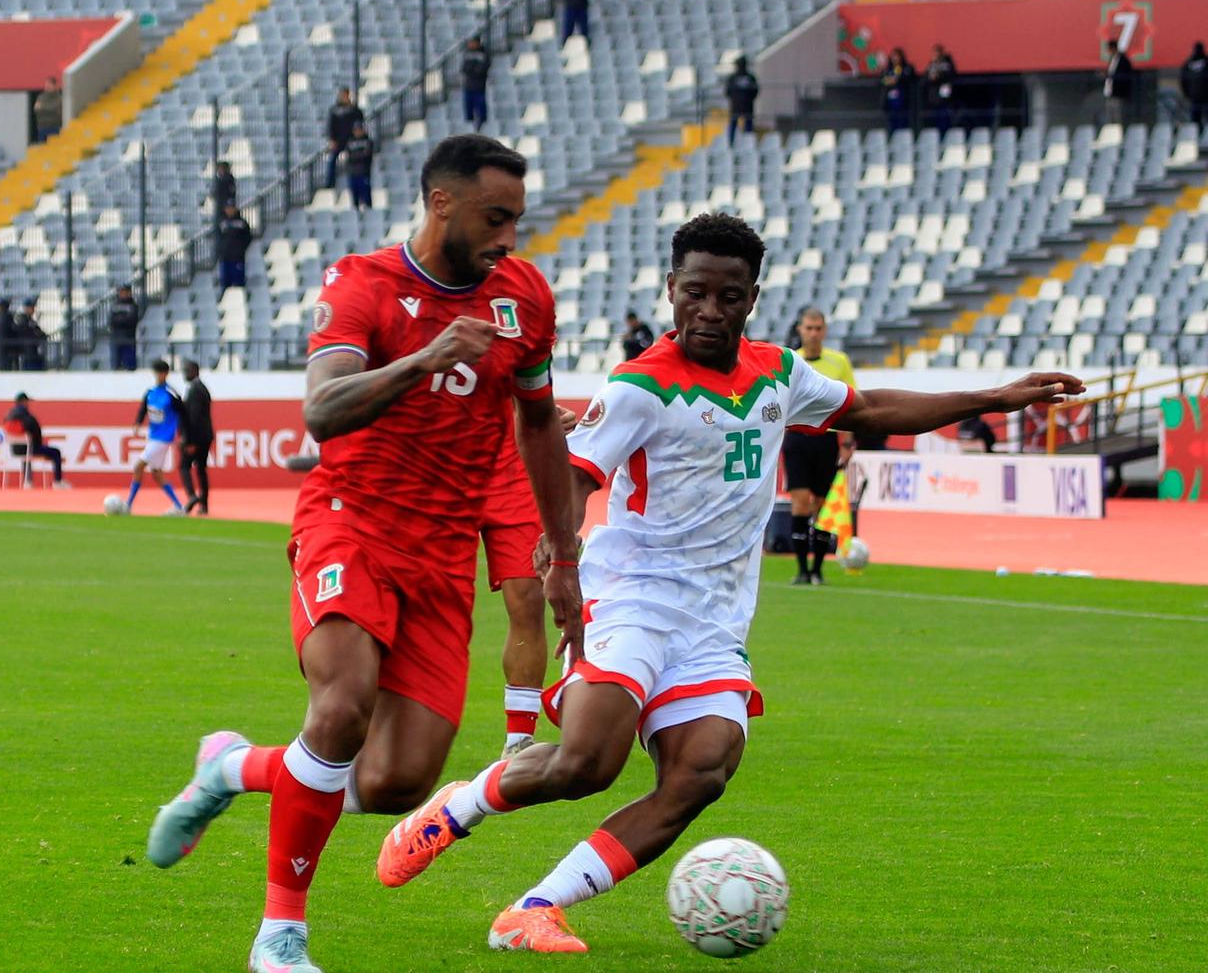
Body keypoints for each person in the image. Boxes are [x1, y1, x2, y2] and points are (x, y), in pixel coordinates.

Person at [371, 212, 1081, 957]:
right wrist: (562, 558)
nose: (710, 311)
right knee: (586, 764)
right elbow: (575, 476)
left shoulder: (780, 373)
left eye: (729, 297)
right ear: (671, 290)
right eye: (696, 293)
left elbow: (869, 408)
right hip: (634, 597)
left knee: (701, 771)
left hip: (713, 622)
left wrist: (995, 397)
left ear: (752, 299)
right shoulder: (639, 386)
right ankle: (458, 808)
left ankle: (536, 909)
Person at [144, 135, 574, 973]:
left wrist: (562, 551)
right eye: (495, 218)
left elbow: (537, 422)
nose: (509, 238)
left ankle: (232, 767)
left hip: (441, 554)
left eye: (517, 220)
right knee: (341, 707)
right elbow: (323, 408)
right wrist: (426, 358)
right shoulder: (361, 283)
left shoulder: (525, 297)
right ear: (441, 203)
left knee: (395, 783)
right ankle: (280, 937)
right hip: (351, 522)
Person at [478, 422, 550, 761]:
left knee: (529, 596)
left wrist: (543, 414)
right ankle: (388, 728)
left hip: (513, 463)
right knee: (428, 599)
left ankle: (519, 739)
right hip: (446, 457)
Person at [782, 308, 855, 585]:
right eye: (808, 328)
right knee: (800, 502)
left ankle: (818, 570)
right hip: (798, 438)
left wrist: (847, 442)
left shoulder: (839, 361)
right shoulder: (790, 361)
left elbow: (850, 404)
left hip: (826, 439)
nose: (813, 333)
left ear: (824, 331)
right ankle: (802, 570)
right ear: (800, 330)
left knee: (823, 506)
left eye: (818, 328)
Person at [128, 360, 186, 515]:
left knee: (138, 466)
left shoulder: (171, 394)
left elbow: (183, 413)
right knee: (157, 473)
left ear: (166, 374)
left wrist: (182, 434)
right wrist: (137, 423)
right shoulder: (150, 392)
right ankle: (179, 506)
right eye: (156, 373)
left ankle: (128, 504)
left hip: (164, 437)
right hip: (153, 436)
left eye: (161, 373)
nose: (158, 376)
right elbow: (143, 410)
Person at [4, 392, 70, 488]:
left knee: (26, 452)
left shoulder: (8, 416)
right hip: (31, 449)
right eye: (27, 401)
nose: (28, 404)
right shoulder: (27, 416)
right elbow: (36, 432)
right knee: (56, 452)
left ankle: (28, 482)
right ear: (24, 402)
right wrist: (37, 444)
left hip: (15, 450)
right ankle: (58, 481)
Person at [178, 358, 213, 515]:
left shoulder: (195, 390)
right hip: (205, 436)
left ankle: (192, 496)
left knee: (184, 466)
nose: (185, 374)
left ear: (195, 371)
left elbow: (194, 417)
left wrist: (189, 440)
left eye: (187, 370)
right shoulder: (201, 388)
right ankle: (204, 505)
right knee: (201, 470)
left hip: (197, 438)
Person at [324, 87, 363, 188]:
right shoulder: (335, 110)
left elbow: (359, 123)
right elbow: (331, 126)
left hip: (351, 140)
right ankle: (330, 183)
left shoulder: (354, 110)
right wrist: (332, 139)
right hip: (339, 141)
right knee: (332, 159)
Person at [216, 204, 254, 292]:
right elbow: (218, 238)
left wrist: (240, 248)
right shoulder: (222, 223)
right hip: (225, 257)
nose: (229, 210)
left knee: (238, 283)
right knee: (225, 284)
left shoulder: (242, 223)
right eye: (228, 208)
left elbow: (248, 238)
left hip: (237, 258)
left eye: (231, 208)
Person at [724, 56, 758, 145]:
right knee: (741, 125)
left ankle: (735, 144)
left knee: (742, 125)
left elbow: (727, 92)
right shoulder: (749, 77)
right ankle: (741, 144)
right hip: (745, 106)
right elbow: (755, 92)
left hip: (739, 106)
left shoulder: (734, 78)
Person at [924, 44, 957, 133]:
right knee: (934, 117)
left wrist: (939, 75)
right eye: (935, 53)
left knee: (944, 116)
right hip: (933, 97)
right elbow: (925, 77)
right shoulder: (931, 64)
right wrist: (931, 77)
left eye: (938, 52)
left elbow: (951, 75)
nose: (936, 55)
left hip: (944, 96)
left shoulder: (947, 64)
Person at [460, 36, 491, 131]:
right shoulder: (467, 53)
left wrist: (473, 70)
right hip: (468, 86)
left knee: (480, 107)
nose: (471, 44)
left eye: (473, 42)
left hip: (479, 86)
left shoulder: (483, 53)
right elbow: (464, 68)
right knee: (468, 108)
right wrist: (472, 69)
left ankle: (482, 126)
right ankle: (470, 126)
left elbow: (482, 69)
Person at [1101, 40, 1135, 125]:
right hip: (1110, 92)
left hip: (1118, 93)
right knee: (1110, 116)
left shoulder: (1123, 60)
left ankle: (1119, 130)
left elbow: (1124, 75)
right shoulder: (1112, 59)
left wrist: (1112, 76)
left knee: (1118, 116)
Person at [342, 123, 374, 212]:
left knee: (366, 196)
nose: (358, 132)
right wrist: (359, 155)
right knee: (354, 196)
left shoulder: (367, 141)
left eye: (359, 129)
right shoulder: (350, 142)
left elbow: (366, 155)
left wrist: (355, 156)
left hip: (364, 172)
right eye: (356, 130)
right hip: (353, 172)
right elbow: (348, 156)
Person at [881, 48, 913, 133]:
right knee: (892, 125)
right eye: (893, 56)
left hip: (903, 101)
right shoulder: (888, 69)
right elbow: (882, 80)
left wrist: (897, 80)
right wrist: (890, 80)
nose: (895, 58)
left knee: (902, 124)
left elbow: (907, 78)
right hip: (890, 102)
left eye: (897, 56)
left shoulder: (906, 68)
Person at [108, 285, 140, 371]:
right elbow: (112, 321)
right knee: (116, 366)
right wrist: (122, 319)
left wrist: (120, 320)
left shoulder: (133, 306)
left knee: (129, 366)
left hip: (128, 339)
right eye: (121, 292)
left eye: (125, 292)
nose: (123, 294)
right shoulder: (114, 305)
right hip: (116, 339)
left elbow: (131, 320)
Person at [14, 298, 48, 371]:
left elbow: (40, 333)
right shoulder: (22, 320)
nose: (33, 309)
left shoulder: (30, 320)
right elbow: (28, 333)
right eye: (31, 307)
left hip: (32, 350)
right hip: (26, 351)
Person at [1182, 41, 1208, 130]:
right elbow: (1184, 81)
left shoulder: (1188, 64)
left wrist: (1187, 93)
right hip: (1199, 97)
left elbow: (1183, 81)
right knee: (1196, 120)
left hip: (1194, 96)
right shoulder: (1206, 62)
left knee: (1195, 120)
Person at [33, 76, 64, 143]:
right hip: (42, 128)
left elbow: (54, 108)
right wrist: (47, 108)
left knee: (54, 147)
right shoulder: (41, 97)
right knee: (42, 147)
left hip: (55, 128)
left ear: (55, 85)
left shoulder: (59, 98)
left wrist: (42, 107)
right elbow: (36, 109)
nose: (47, 86)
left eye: (49, 84)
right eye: (46, 84)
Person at [0, 298, 17, 371]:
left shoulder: (5, 318)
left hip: (4, 348)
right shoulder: (4, 318)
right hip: (3, 348)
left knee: (4, 367)